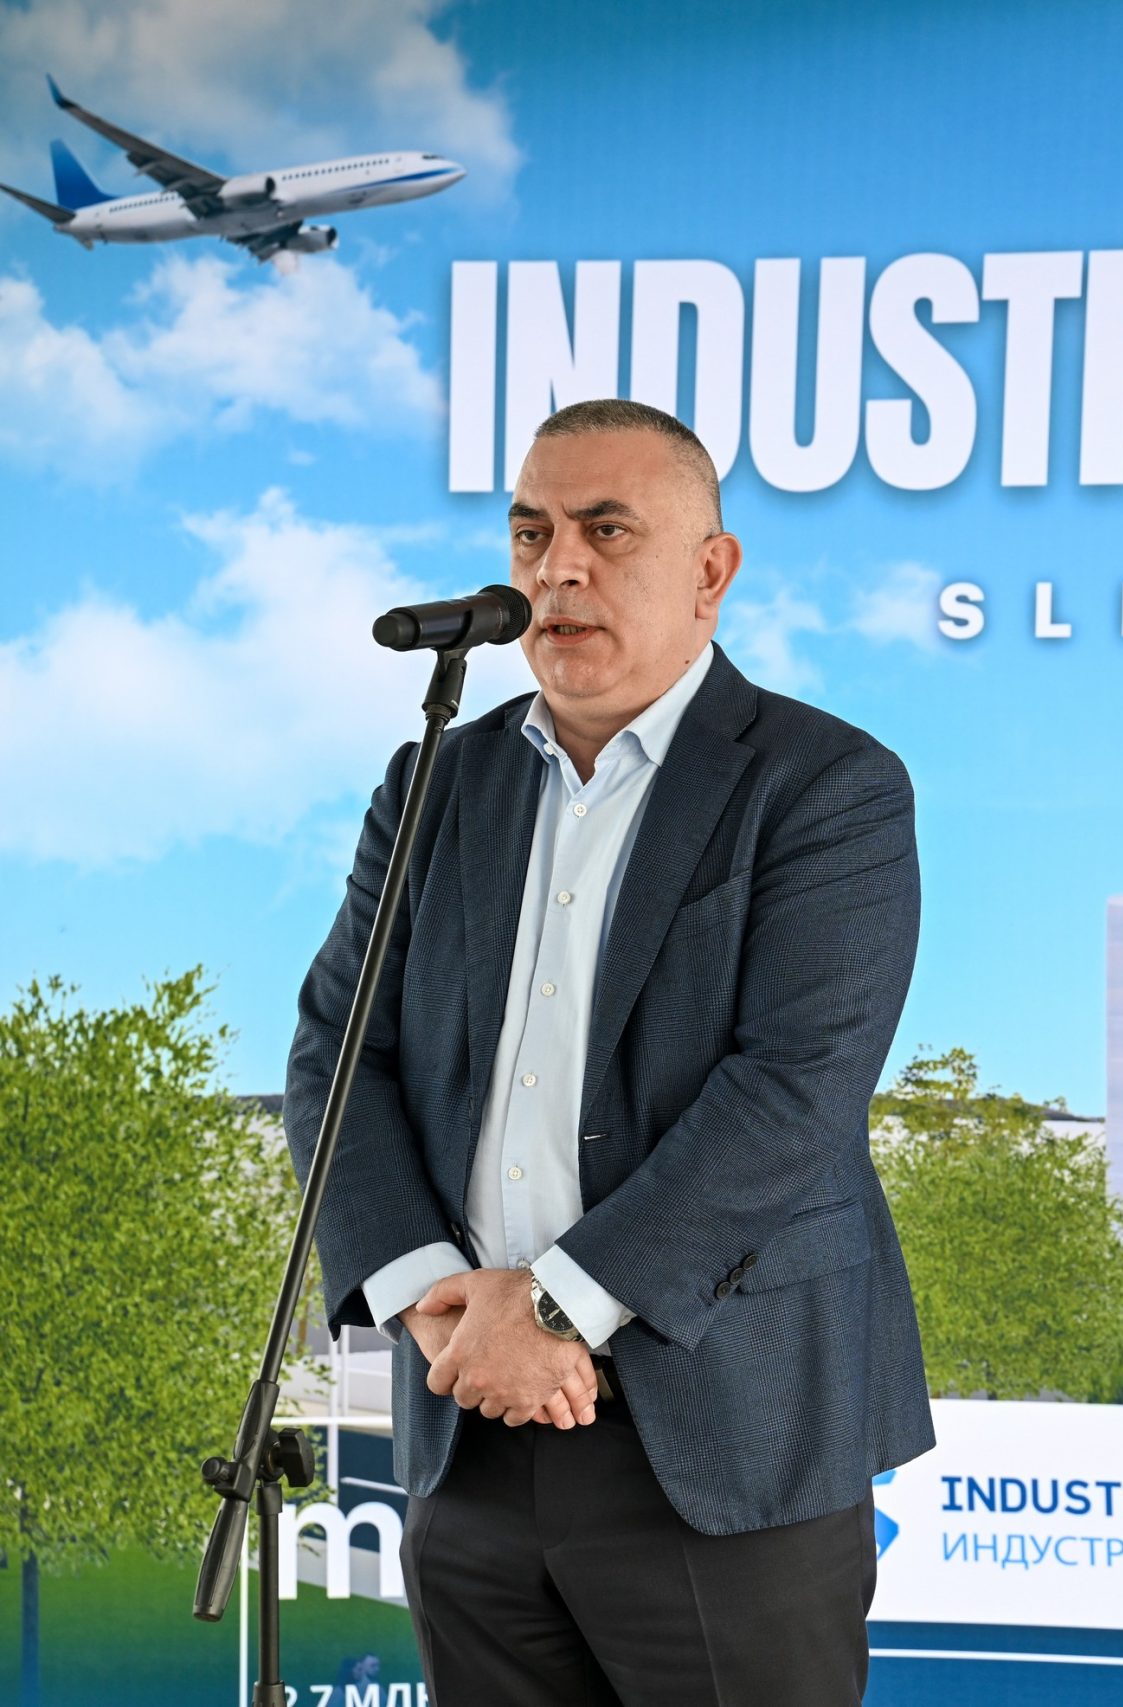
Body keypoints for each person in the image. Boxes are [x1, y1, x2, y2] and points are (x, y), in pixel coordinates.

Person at [282, 398, 931, 1705]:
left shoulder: (824, 784)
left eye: (605, 530)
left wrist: (553, 1308)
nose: (557, 567)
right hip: (469, 1427)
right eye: (531, 533)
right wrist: (436, 1302)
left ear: (711, 570)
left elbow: (790, 1091)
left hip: (723, 1443)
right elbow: (338, 1057)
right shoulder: (434, 782)